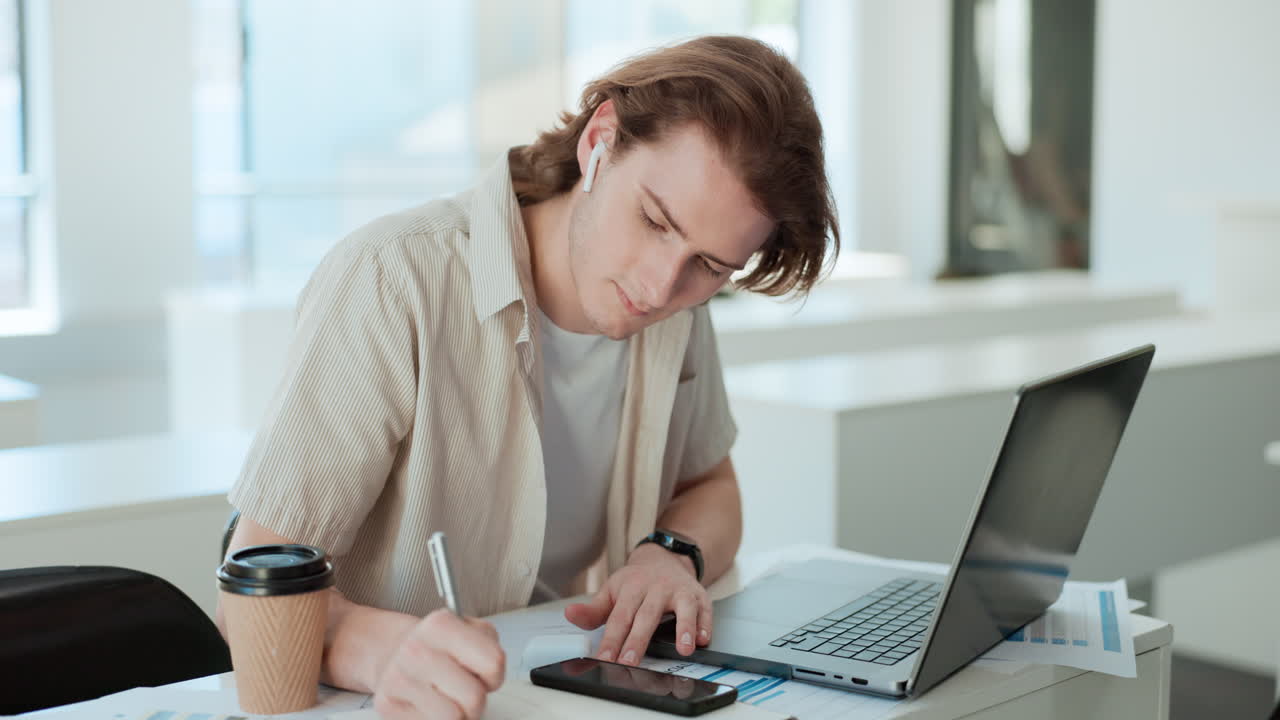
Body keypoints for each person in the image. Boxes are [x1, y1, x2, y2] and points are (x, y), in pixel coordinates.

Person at [217, 34, 838, 720]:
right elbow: (253, 584)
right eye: (655, 221)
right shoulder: (393, 280)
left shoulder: (679, 311)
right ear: (600, 140)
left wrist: (670, 555)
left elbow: (710, 486)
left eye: (712, 267)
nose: (662, 286)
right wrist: (382, 651)